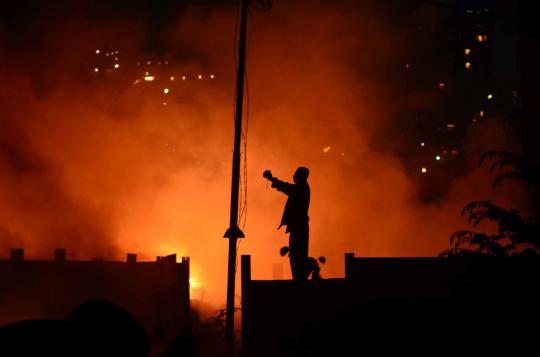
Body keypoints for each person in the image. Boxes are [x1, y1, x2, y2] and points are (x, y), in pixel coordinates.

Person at [263, 167, 310, 280]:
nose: (293, 176)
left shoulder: (301, 188)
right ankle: (298, 280)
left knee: (297, 256)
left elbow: (287, 187)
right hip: (298, 226)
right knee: (296, 255)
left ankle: (299, 282)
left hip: (299, 227)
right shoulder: (302, 188)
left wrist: (271, 179)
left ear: (300, 176)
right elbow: (286, 187)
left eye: (295, 174)